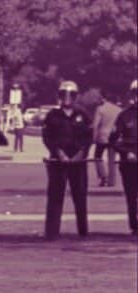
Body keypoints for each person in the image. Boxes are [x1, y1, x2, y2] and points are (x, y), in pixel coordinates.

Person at [42, 80, 93, 239]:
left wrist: (81, 153)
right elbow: (47, 137)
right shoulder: (52, 115)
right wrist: (58, 153)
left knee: (80, 197)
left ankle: (83, 231)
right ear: (59, 95)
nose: (67, 98)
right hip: (58, 162)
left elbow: (88, 137)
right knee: (55, 197)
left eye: (71, 95)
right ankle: (51, 232)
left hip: (78, 162)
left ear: (76, 96)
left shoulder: (83, 115)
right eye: (64, 94)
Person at [110, 79, 138, 235]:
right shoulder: (124, 116)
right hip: (129, 163)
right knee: (131, 196)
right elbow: (113, 139)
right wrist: (126, 152)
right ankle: (134, 226)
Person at [92, 92, 121, 187]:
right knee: (112, 159)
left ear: (104, 98)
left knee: (97, 156)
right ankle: (112, 181)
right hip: (114, 136)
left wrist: (94, 137)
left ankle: (103, 177)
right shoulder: (118, 110)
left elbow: (95, 125)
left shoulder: (100, 109)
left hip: (102, 136)